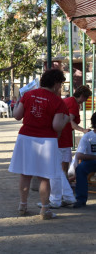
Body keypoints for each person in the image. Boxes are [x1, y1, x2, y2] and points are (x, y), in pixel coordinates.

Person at [9, 69, 69, 220]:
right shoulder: (57, 101)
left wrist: (18, 103)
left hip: (26, 137)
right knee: (44, 177)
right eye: (60, 84)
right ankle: (45, 209)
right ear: (56, 84)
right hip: (46, 140)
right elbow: (57, 126)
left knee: (25, 173)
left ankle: (22, 205)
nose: (60, 87)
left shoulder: (28, 95)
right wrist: (66, 119)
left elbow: (17, 116)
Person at [45, 85, 91, 209]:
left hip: (63, 138)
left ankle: (62, 196)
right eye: (85, 98)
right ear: (82, 96)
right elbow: (70, 121)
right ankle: (65, 196)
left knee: (62, 168)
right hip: (63, 138)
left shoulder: (68, 101)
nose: (85, 101)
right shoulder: (73, 103)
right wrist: (83, 130)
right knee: (60, 169)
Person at [72, 112, 96, 208]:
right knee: (81, 168)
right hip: (91, 161)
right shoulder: (88, 136)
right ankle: (81, 199)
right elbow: (79, 155)